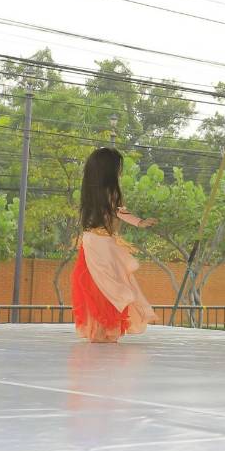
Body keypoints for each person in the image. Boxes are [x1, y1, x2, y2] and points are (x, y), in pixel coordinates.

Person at [70, 147, 158, 343]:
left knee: (101, 286)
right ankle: (105, 329)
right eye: (118, 166)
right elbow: (119, 211)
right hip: (100, 244)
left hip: (93, 241)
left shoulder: (92, 190)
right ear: (108, 169)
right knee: (108, 286)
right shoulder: (109, 190)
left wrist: (139, 222)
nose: (120, 170)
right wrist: (140, 222)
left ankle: (102, 330)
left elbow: (117, 211)